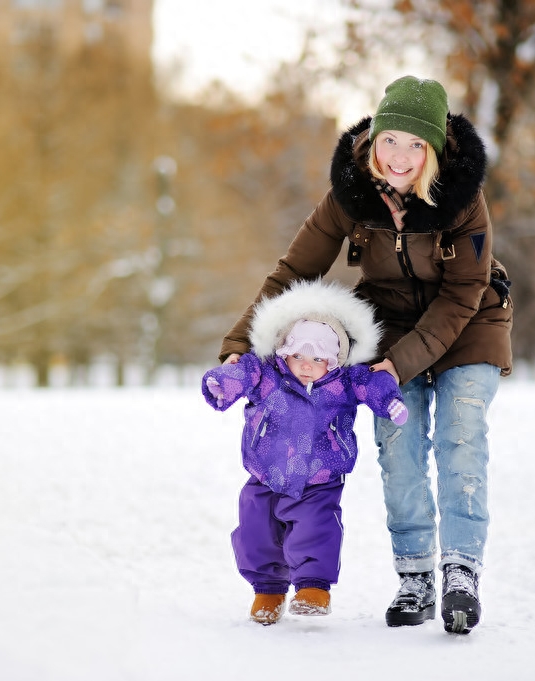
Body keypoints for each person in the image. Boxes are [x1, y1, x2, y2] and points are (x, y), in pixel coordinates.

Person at [217, 76, 513, 634]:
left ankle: (460, 570)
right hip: (389, 327)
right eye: (389, 140)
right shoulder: (350, 195)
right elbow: (292, 271)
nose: (398, 157)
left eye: (415, 145)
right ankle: (416, 576)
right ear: (373, 139)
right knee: (398, 445)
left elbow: (461, 294)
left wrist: (400, 365)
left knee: (460, 431)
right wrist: (241, 344)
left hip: (470, 324)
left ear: (435, 150)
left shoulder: (463, 201)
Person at [202, 278, 409, 625]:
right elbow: (242, 372)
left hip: (319, 475)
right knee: (256, 532)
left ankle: (313, 588)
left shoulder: (344, 381)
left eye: (317, 358)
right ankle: (267, 591)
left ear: (336, 357)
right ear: (285, 351)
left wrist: (389, 401)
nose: (306, 365)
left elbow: (372, 383)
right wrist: (222, 384)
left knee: (315, 529)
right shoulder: (267, 373)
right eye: (297, 355)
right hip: (265, 473)